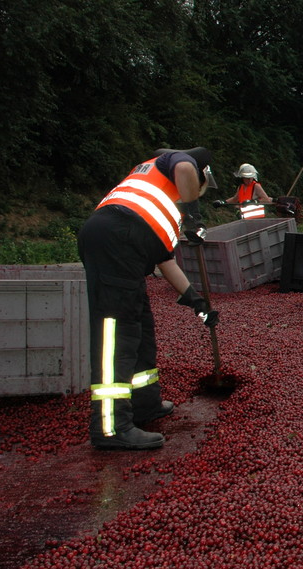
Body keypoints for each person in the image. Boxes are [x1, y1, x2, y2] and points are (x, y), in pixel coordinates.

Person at [77, 147, 221, 450]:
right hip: (115, 239)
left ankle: (145, 405)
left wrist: (196, 303)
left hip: (124, 246)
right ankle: (110, 426)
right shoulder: (178, 161)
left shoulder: (158, 201)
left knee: (139, 326)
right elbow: (185, 167)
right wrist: (195, 217)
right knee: (117, 332)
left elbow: (166, 262)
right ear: (200, 175)